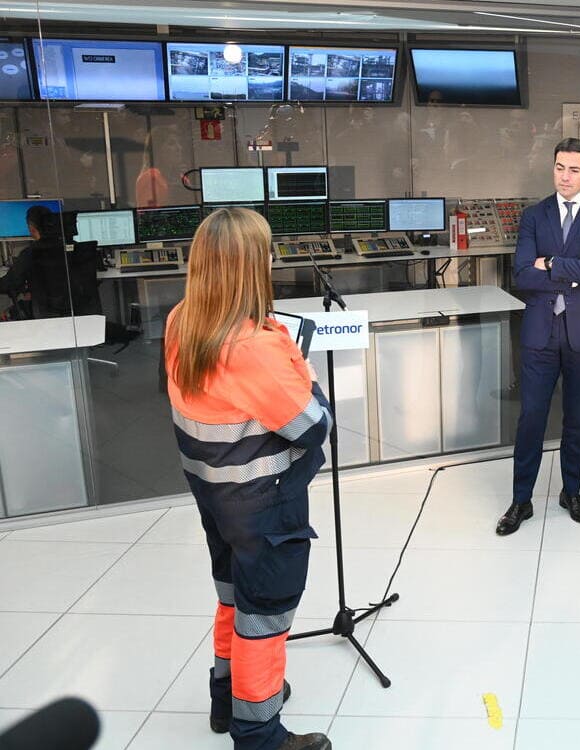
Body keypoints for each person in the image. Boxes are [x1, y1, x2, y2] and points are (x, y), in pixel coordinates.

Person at [165, 207, 333, 750]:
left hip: (215, 496)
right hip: (264, 504)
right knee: (264, 614)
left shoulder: (182, 320)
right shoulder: (252, 348)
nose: (271, 259)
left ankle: (225, 696)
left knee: (233, 596)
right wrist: (299, 367)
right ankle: (258, 731)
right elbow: (312, 425)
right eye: (264, 251)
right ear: (246, 266)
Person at [497, 138, 580, 535]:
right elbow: (522, 274)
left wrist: (549, 262)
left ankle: (572, 491)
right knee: (531, 417)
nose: (565, 176)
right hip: (540, 332)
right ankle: (521, 500)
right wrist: (576, 266)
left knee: (577, 417)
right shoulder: (535, 215)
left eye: (573, 169)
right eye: (559, 168)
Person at [0, 205, 72, 319]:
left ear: (31, 228)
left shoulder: (30, 253)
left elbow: (10, 283)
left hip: (45, 312)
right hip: (80, 312)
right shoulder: (74, 248)